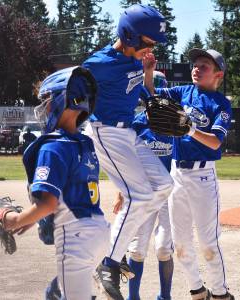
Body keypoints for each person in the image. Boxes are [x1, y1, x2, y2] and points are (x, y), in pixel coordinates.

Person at [83, 4, 174, 299]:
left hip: (128, 132)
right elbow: (67, 88)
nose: (151, 49)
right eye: (148, 43)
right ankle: (108, 263)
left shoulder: (136, 61)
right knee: (140, 196)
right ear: (129, 36)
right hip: (105, 131)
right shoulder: (99, 63)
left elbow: (141, 93)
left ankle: (114, 251)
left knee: (164, 185)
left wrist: (148, 76)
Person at [0, 66, 110, 300]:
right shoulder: (85, 144)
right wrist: (35, 217)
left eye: (47, 99)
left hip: (75, 237)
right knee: (56, 293)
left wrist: (14, 220)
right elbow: (67, 196)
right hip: (98, 232)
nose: (43, 107)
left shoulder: (53, 146)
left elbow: (48, 205)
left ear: (63, 100)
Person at [154, 48, 234, 300]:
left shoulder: (221, 104)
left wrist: (188, 129)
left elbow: (215, 142)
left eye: (205, 66)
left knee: (208, 243)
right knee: (180, 242)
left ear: (218, 74)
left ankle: (221, 294)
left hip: (202, 178)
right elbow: (153, 94)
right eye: (196, 64)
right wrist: (147, 72)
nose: (197, 68)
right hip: (177, 174)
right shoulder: (183, 92)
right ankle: (197, 290)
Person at [113, 71, 174, 300]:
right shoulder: (137, 125)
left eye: (157, 96)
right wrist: (121, 193)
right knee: (137, 250)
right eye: (149, 96)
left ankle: (165, 297)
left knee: (163, 249)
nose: (154, 101)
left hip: (169, 195)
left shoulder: (174, 124)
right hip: (144, 193)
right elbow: (128, 162)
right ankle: (133, 297)